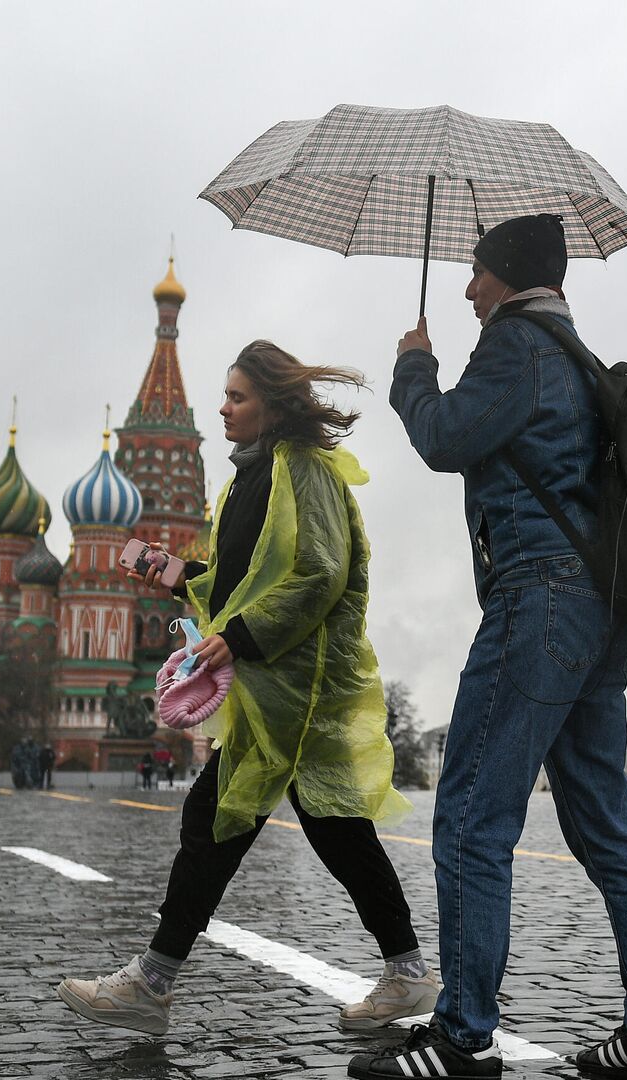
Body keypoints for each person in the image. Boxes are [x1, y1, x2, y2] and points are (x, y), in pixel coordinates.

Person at [353, 215, 627, 1080]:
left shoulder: (514, 348)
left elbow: (443, 439)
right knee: (607, 823)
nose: (466, 289)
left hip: (539, 601)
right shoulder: (572, 351)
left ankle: (463, 1038)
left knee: (469, 815)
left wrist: (413, 367)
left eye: (474, 273)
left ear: (505, 275)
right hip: (599, 612)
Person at [56, 341, 436, 1037]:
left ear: (273, 405)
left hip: (303, 688)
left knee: (234, 824)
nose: (224, 409)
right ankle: (406, 975)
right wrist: (170, 572)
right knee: (305, 828)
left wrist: (242, 637)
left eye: (236, 397)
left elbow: (320, 573)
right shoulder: (247, 481)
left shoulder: (305, 472)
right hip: (272, 694)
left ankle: (152, 982)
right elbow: (235, 585)